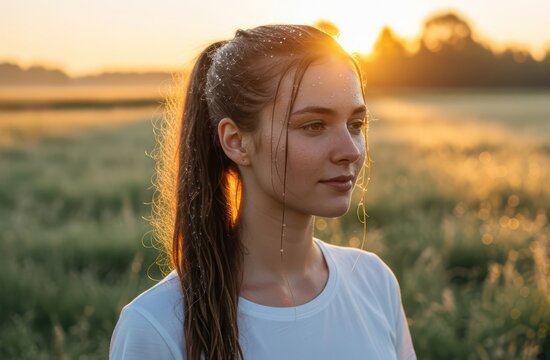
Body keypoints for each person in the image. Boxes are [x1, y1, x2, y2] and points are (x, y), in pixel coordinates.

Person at [109, 24, 416, 360]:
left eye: (356, 125)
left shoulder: (374, 282)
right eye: (313, 125)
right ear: (236, 141)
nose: (350, 150)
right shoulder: (156, 325)